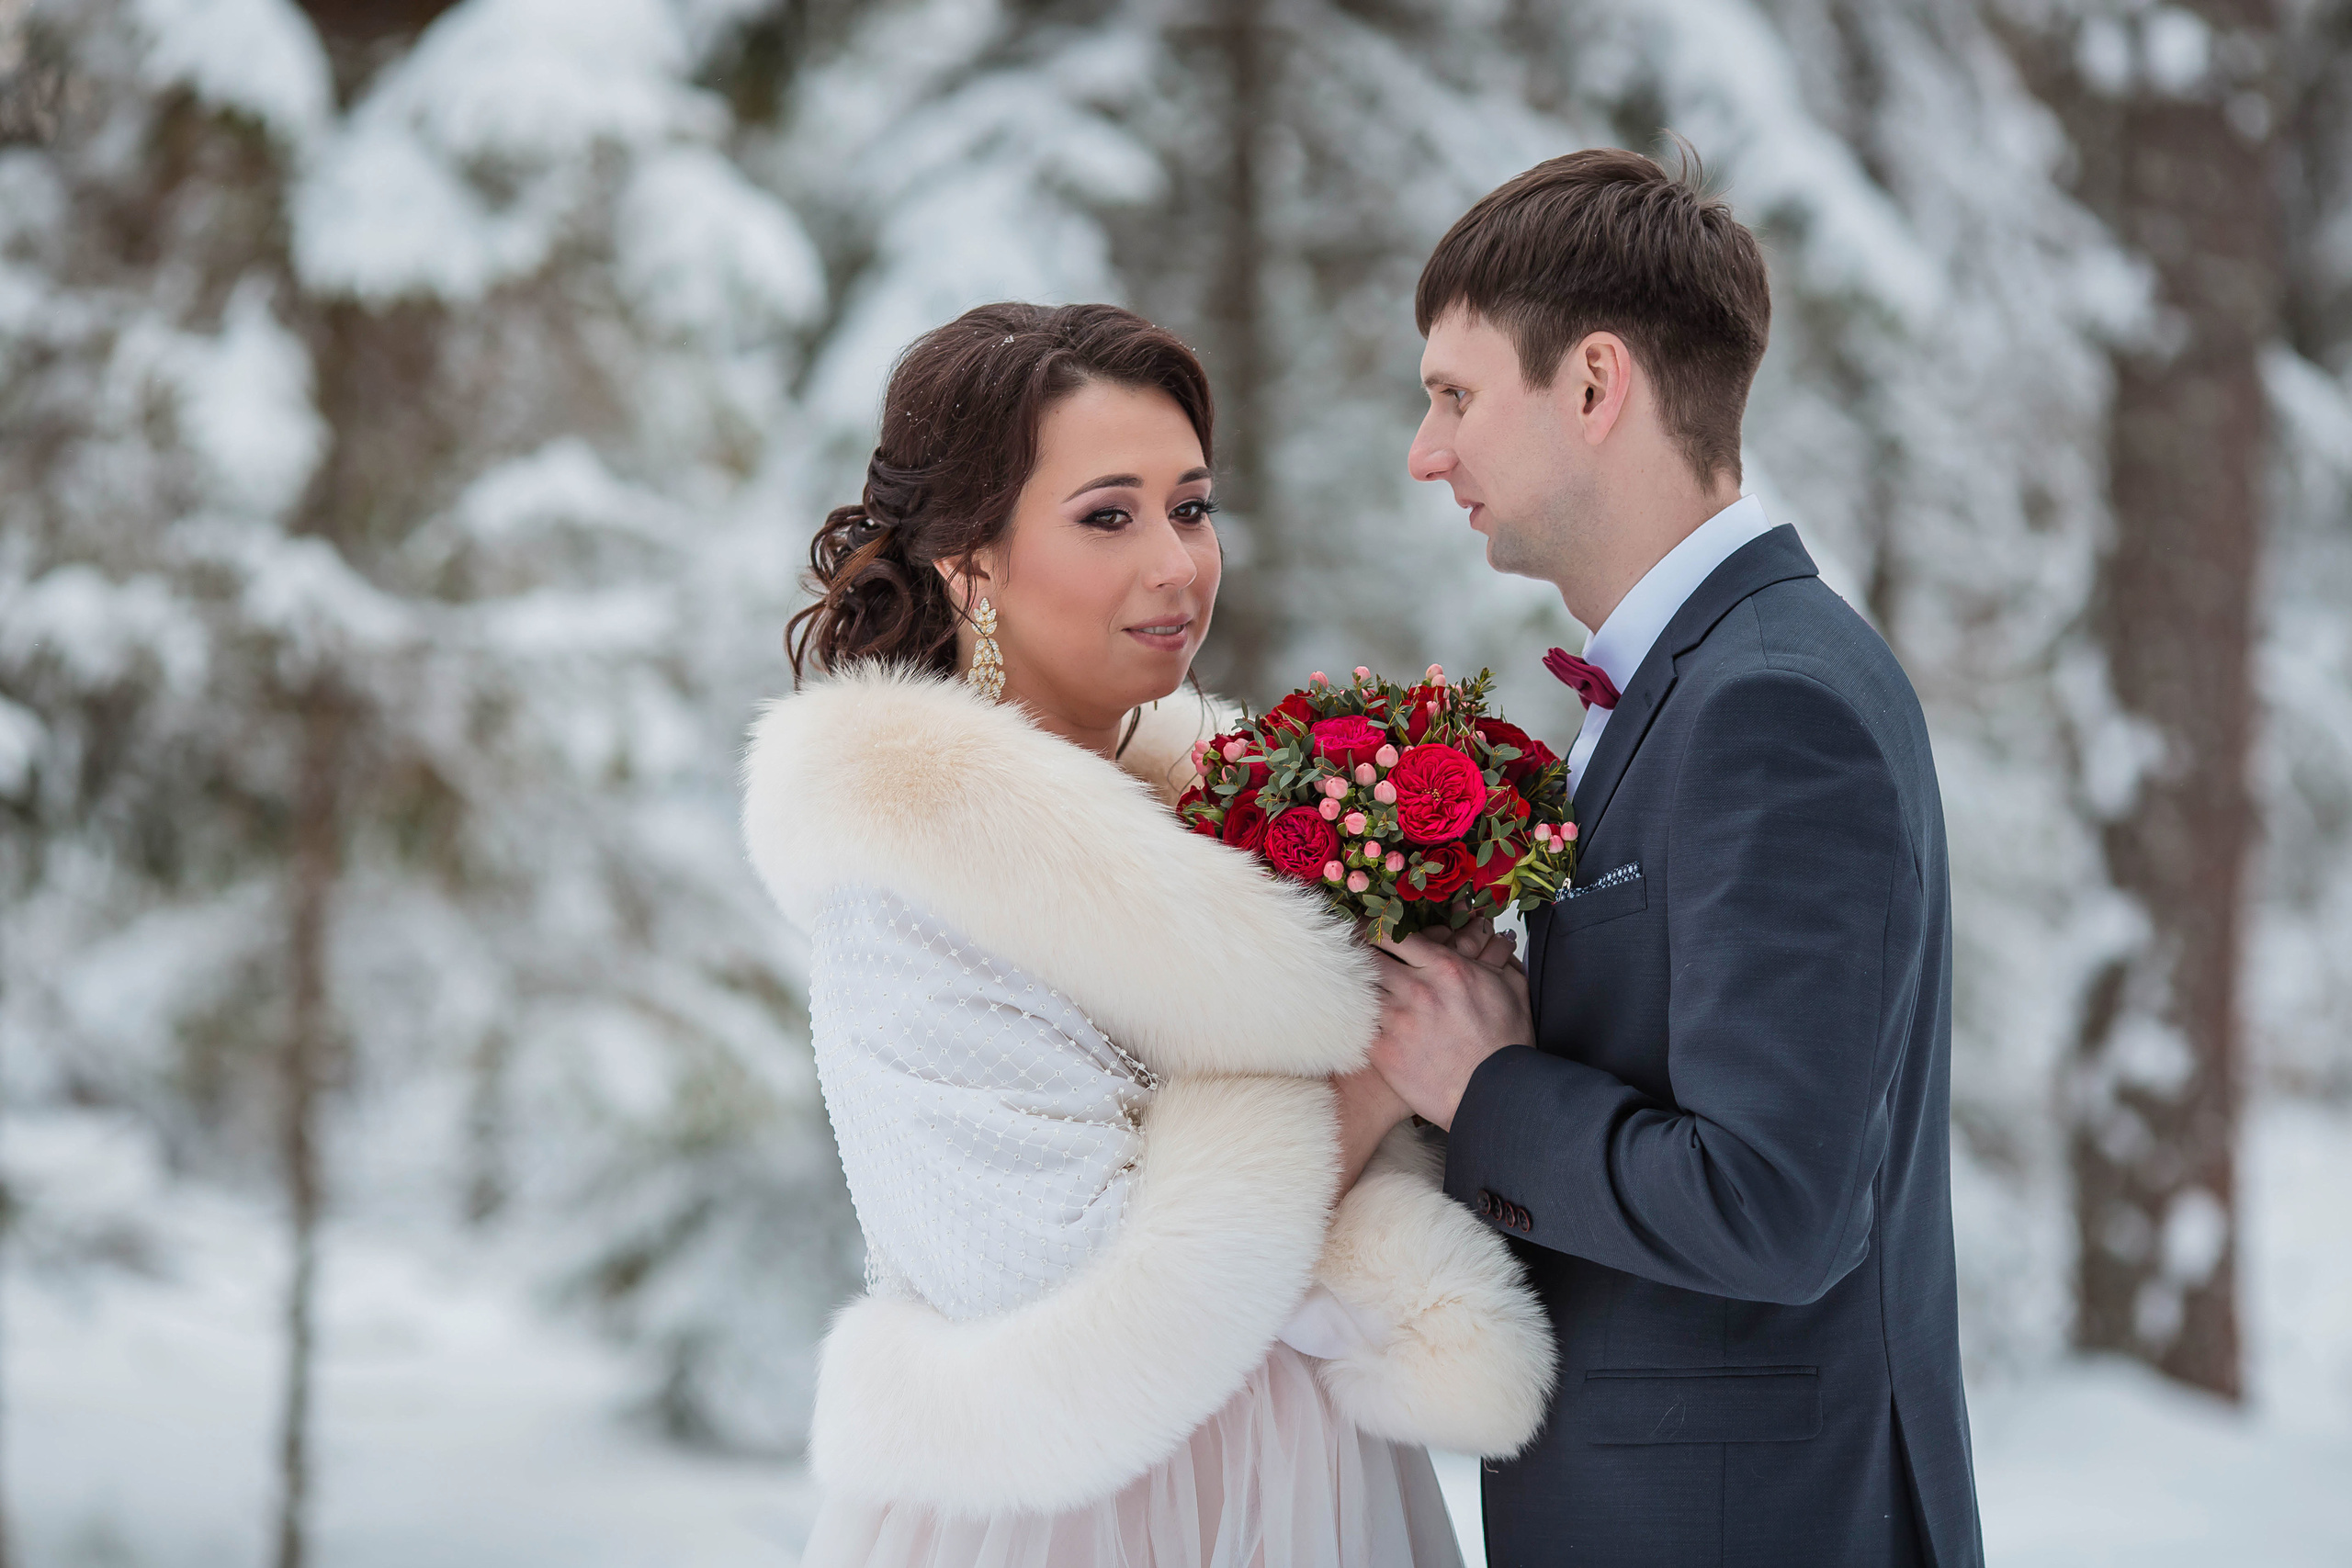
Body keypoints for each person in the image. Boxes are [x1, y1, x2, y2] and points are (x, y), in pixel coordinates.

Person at [740, 301, 1555, 1568]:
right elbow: (1067, 1277)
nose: (1178, 565)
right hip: (1078, 1518)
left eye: (1192, 506)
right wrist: (1389, 1045)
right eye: (1109, 516)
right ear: (969, 559)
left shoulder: (1231, 815)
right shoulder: (911, 876)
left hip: (1314, 1479)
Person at [1366, 149, 1987, 1566]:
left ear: (1595, 386)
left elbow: (1774, 1209)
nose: (1426, 451)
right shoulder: (1697, 686)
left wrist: (1484, 1085)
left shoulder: (1774, 705)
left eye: (1455, 395)